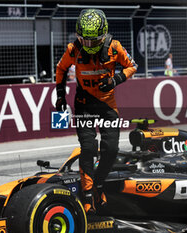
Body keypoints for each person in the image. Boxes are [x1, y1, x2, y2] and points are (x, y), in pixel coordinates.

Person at [55, 9, 137, 213]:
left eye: (94, 41)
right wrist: (59, 95)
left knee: (111, 149)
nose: (89, 45)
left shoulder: (115, 47)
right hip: (84, 104)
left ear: (103, 35)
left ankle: (99, 184)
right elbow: (61, 68)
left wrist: (115, 80)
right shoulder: (73, 49)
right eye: (85, 41)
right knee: (89, 148)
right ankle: (88, 194)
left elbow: (132, 65)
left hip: (107, 106)